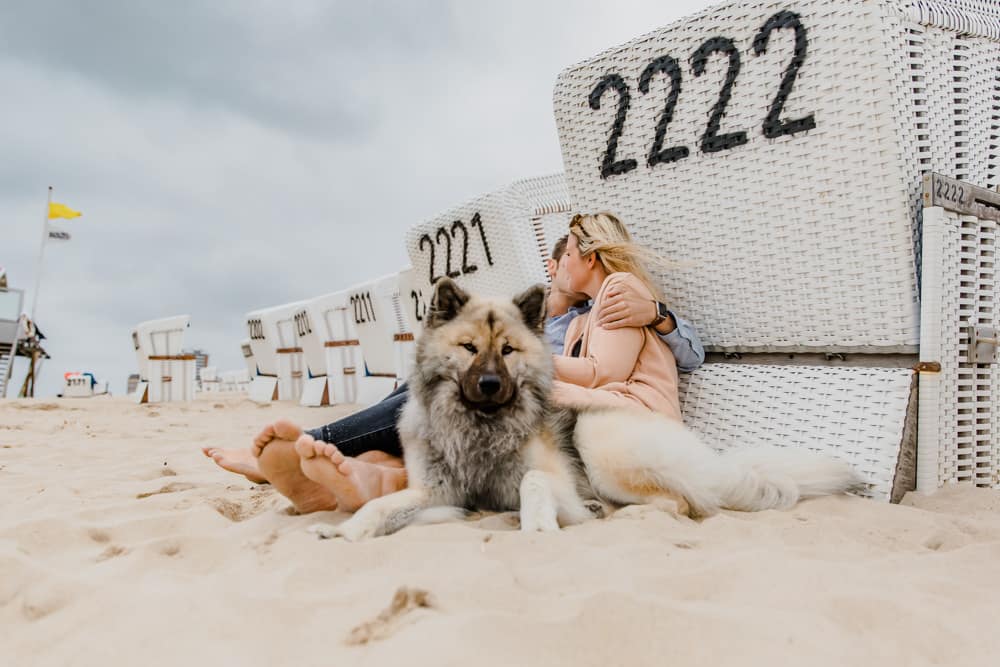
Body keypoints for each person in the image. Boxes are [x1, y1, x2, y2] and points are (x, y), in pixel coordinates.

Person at [203, 225, 704, 513]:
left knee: (432, 401)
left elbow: (681, 356)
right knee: (424, 392)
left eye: (561, 260)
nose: (552, 270)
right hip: (518, 400)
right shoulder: (558, 316)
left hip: (558, 413)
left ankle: (317, 444)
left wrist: (660, 316)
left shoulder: (610, 306)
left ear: (585, 259)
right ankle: (356, 474)